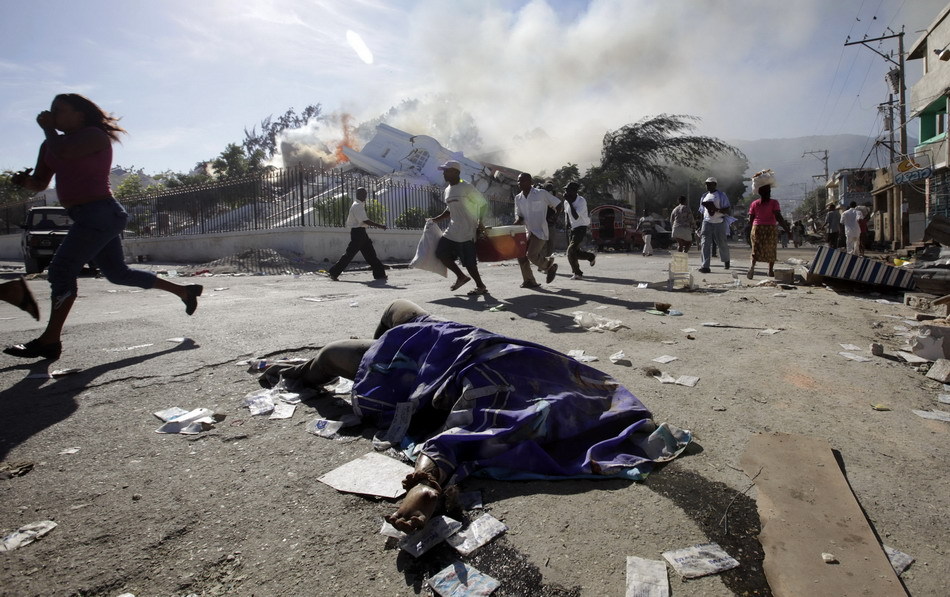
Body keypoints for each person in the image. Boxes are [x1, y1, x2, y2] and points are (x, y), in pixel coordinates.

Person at [260, 299, 692, 533]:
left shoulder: (403, 345)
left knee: (337, 352)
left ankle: (303, 372)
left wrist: (430, 478)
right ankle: (311, 368)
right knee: (523, 403)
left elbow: (467, 429)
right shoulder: (433, 326)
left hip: (449, 358)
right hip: (497, 352)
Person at [4, 94, 202, 361]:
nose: (52, 115)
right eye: (51, 111)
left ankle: (49, 341)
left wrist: (48, 128)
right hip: (89, 215)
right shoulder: (50, 144)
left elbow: (64, 151)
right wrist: (23, 181)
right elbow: (40, 183)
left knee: (61, 270)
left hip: (100, 212)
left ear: (80, 114)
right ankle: (184, 291)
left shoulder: (93, 135)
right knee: (117, 273)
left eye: (59, 111)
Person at [429, 160, 488, 295]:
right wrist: (435, 220)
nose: (444, 173)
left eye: (447, 170)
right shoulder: (447, 190)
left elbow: (483, 204)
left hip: (467, 231)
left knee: (469, 263)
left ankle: (481, 286)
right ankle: (461, 276)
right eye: (443, 171)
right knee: (441, 253)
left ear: (456, 172)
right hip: (452, 230)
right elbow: (449, 210)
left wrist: (480, 222)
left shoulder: (466, 187)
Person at [327, 187, 388, 281]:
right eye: (364, 194)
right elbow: (365, 221)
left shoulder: (359, 205)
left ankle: (380, 274)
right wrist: (380, 226)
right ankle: (334, 272)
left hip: (361, 233)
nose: (366, 196)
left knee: (371, 254)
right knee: (349, 255)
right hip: (358, 233)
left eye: (366, 194)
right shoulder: (357, 206)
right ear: (359, 194)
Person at [514, 173, 561, 288]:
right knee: (521, 255)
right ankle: (529, 280)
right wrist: (517, 221)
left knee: (531, 255)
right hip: (527, 231)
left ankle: (549, 266)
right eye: (518, 181)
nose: (520, 183)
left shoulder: (541, 194)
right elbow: (519, 215)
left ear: (530, 182)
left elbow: (558, 204)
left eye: (523, 181)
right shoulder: (518, 198)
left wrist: (555, 217)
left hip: (540, 231)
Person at [746, 183, 790, 279]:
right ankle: (770, 271)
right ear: (768, 193)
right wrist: (787, 229)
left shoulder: (754, 203)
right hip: (770, 228)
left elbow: (750, 220)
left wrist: (748, 233)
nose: (769, 193)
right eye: (769, 192)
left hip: (757, 228)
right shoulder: (774, 203)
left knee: (755, 249)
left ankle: (752, 267)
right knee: (771, 249)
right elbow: (778, 217)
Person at [697, 176, 731, 273]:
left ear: (715, 185)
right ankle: (705, 266)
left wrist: (716, 210)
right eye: (706, 184)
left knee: (722, 243)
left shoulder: (721, 195)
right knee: (705, 243)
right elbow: (701, 211)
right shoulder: (704, 196)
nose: (707, 186)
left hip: (719, 222)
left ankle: (726, 260)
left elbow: (727, 209)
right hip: (707, 222)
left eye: (710, 184)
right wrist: (700, 225)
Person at [562, 182, 596, 279]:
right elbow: (567, 213)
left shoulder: (581, 201)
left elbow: (576, 217)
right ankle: (590, 257)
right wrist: (567, 224)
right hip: (572, 228)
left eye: (567, 190)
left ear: (574, 191)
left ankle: (577, 273)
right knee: (574, 253)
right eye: (565, 190)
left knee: (570, 250)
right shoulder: (566, 202)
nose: (566, 192)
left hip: (581, 227)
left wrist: (569, 202)